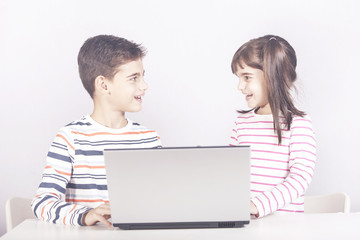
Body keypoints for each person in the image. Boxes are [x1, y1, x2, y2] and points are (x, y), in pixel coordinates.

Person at [31, 35, 162, 227]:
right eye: (134, 78)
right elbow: (42, 203)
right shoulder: (71, 138)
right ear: (103, 85)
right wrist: (86, 215)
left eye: (143, 76)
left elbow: (161, 200)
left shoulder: (149, 139)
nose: (144, 86)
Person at [229, 35, 316, 218]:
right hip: (246, 225)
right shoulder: (241, 124)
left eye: (246, 77)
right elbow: (231, 175)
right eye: (238, 78)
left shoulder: (299, 124)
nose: (240, 86)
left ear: (273, 76)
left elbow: (300, 178)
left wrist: (256, 206)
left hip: (286, 227)